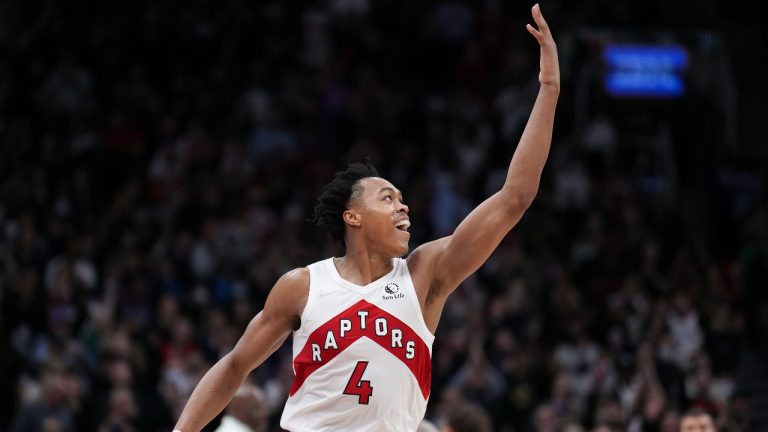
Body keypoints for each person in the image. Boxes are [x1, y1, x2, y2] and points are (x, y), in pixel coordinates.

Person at [173, 4, 559, 431]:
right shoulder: (303, 286)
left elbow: (515, 199)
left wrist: (548, 89)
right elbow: (233, 368)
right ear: (352, 216)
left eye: (402, 199)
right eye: (387, 198)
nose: (403, 207)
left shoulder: (424, 275)